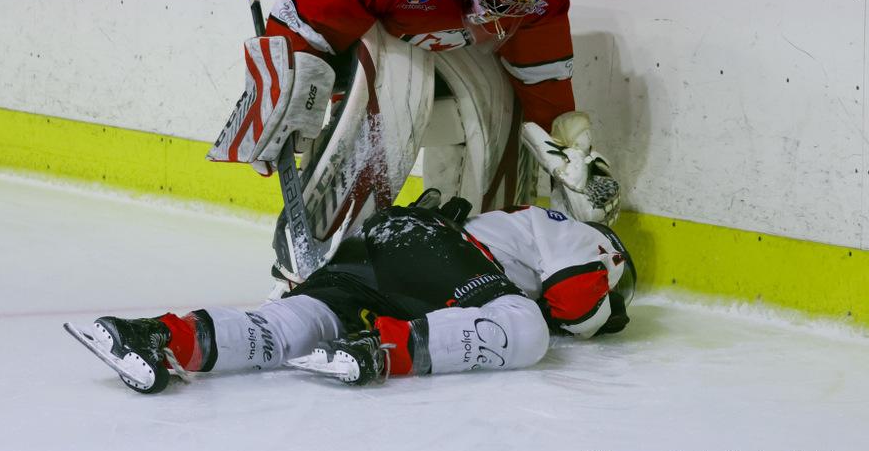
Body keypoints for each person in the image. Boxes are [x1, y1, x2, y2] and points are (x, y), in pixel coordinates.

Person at [207, 0, 620, 248]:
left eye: (508, 13)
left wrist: (567, 150)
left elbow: (543, 73)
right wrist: (292, 80)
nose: (496, 24)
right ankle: (333, 229)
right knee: (396, 90)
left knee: (502, 96)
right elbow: (308, 10)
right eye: (493, 5)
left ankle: (485, 245)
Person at [64, 191, 635, 394]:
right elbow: (578, 297)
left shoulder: (507, 227)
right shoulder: (575, 231)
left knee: (294, 327)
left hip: (381, 257)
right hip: (421, 243)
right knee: (528, 329)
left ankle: (162, 336)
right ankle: (384, 347)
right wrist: (608, 313)